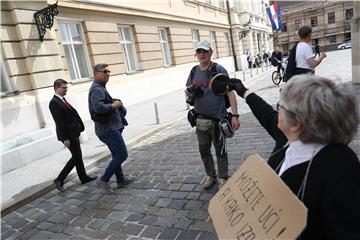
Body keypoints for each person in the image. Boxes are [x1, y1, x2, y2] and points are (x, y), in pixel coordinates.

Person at [222, 75, 360, 239]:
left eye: (280, 106)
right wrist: (244, 91)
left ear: (296, 122)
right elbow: (265, 113)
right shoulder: (289, 137)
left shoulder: (341, 167)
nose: (277, 109)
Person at [185, 40, 240, 189]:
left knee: (220, 150)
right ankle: (211, 175)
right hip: (200, 120)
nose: (201, 54)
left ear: (211, 53)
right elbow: (187, 90)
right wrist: (190, 94)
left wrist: (235, 116)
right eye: (199, 52)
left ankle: (223, 177)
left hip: (218, 120)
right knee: (204, 150)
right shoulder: (194, 71)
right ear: (196, 54)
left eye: (204, 51)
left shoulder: (218, 69)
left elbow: (230, 93)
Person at [88, 64, 131, 193]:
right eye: (104, 71)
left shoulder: (100, 87)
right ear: (96, 74)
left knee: (116, 154)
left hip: (110, 127)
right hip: (108, 129)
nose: (107, 73)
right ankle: (104, 180)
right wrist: (114, 105)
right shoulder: (97, 89)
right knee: (122, 154)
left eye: (108, 71)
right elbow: (98, 108)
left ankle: (120, 180)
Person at [49, 79, 96, 192]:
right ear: (56, 88)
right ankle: (59, 179)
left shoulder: (62, 100)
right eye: (63, 88)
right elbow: (59, 122)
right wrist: (65, 138)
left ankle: (83, 177)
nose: (66, 90)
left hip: (73, 133)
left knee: (78, 156)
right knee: (76, 156)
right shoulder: (54, 103)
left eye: (66, 88)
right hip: (68, 136)